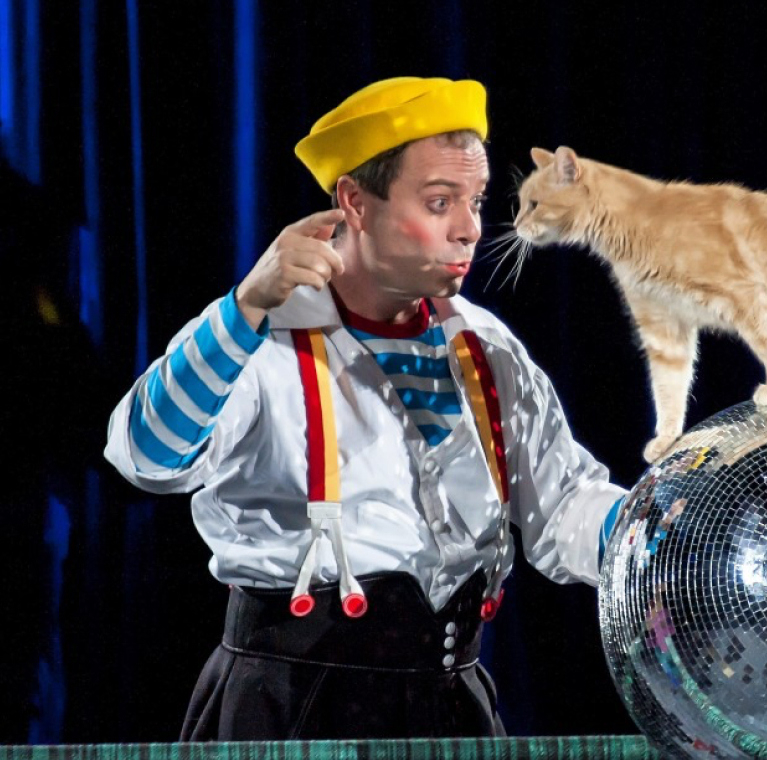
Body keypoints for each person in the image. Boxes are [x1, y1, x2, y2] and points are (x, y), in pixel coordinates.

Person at [104, 76, 627, 741]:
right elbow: (145, 457)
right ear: (354, 201)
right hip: (292, 706)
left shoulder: (486, 349)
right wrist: (243, 310)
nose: (470, 229)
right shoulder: (261, 340)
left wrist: (660, 528)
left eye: (474, 201)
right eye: (439, 202)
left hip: (451, 706)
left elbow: (564, 503)